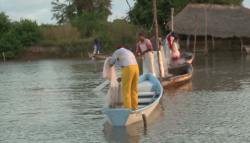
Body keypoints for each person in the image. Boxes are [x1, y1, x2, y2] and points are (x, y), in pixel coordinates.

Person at [110, 46, 139, 110]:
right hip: (136, 68)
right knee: (134, 90)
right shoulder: (129, 51)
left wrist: (109, 63)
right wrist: (122, 78)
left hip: (128, 68)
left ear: (117, 48)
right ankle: (135, 108)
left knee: (126, 90)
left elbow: (111, 63)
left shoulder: (117, 51)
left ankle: (128, 109)